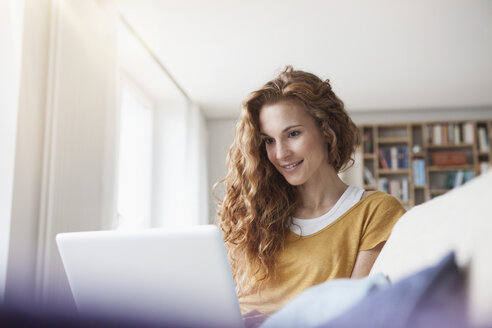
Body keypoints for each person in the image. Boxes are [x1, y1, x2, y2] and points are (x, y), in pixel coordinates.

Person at [215, 66, 406, 318]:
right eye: (268, 141)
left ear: (327, 131)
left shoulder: (374, 211)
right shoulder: (252, 215)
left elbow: (356, 316)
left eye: (293, 134)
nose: (280, 154)